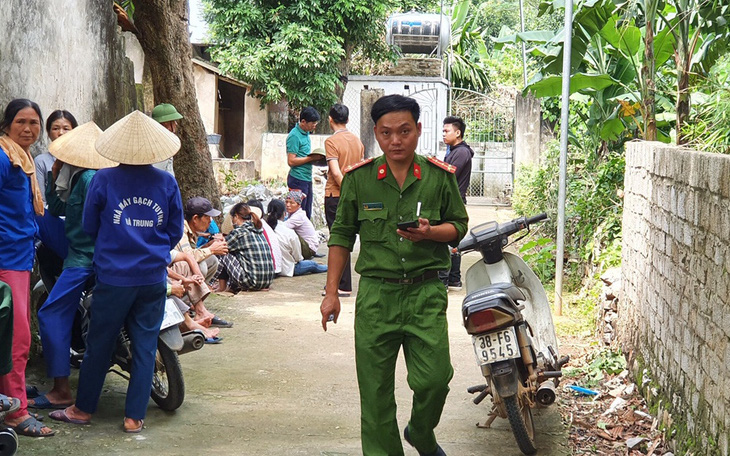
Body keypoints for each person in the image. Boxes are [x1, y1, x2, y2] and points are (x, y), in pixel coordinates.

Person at [320, 95, 468, 456]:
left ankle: (420, 431)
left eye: (404, 131)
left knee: (435, 380)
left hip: (424, 294)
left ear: (418, 130)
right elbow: (341, 236)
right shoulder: (360, 179)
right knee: (375, 395)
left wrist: (431, 232)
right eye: (386, 133)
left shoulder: (437, 176)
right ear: (376, 134)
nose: (396, 140)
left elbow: (459, 227)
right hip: (376, 298)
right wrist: (330, 292)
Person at [49, 110, 184, 434]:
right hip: (152, 277)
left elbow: (90, 225)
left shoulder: (104, 179)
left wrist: (116, 243)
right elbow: (174, 230)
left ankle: (82, 411)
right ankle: (134, 417)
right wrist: (150, 246)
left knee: (100, 342)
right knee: (145, 346)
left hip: (113, 277)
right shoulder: (166, 182)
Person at [33, 122, 118, 411]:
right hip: (108, 259)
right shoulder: (90, 175)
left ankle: (60, 389)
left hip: (83, 260)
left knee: (51, 314)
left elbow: (68, 218)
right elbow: (56, 208)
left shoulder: (87, 178)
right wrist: (53, 177)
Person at [0, 99, 55, 437]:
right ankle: (17, 413)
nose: (28, 129)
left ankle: (12, 401)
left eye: (34, 123)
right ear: (7, 124)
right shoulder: (4, 156)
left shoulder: (24, 159)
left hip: (19, 257)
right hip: (6, 259)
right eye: (21, 121)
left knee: (13, 337)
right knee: (16, 339)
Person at [323, 103, 363, 297]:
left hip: (336, 195)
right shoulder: (357, 141)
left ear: (330, 119)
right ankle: (344, 284)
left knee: (337, 238)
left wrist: (346, 191)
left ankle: (340, 284)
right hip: (355, 194)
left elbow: (337, 173)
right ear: (347, 119)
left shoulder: (331, 142)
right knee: (347, 237)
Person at [35, 110, 78, 261]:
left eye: (66, 128)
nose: (61, 133)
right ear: (48, 132)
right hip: (53, 217)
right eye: (55, 128)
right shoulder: (42, 161)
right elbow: (41, 201)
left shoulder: (81, 160)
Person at [440, 116, 474, 291]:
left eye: (447, 131)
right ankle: (453, 279)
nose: (443, 134)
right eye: (443, 131)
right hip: (452, 200)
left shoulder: (461, 153)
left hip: (454, 201)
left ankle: (445, 280)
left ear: (458, 132)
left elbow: (449, 176)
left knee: (447, 239)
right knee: (453, 241)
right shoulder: (454, 151)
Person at [213, 203, 275, 292]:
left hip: (251, 282)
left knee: (221, 251)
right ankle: (231, 286)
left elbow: (222, 247)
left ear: (236, 216)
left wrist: (219, 240)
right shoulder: (258, 230)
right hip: (267, 281)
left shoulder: (239, 232)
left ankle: (220, 286)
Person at [266, 199, 327, 277]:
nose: (288, 205)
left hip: (271, 268)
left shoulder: (265, 228)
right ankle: (329, 268)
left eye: (291, 202)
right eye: (287, 202)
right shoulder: (289, 232)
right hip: (287, 269)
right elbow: (298, 258)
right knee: (312, 265)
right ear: (284, 214)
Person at [286, 106, 321, 219]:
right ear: (303, 121)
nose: (314, 125)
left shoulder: (306, 133)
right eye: (312, 123)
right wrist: (310, 159)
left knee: (306, 213)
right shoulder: (294, 136)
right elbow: (291, 161)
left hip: (306, 178)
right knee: (297, 215)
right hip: (297, 179)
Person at [284, 190, 320, 259]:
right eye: (286, 202)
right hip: (308, 246)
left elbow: (282, 227)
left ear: (299, 205)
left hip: (309, 249)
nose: (288, 205)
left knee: (288, 233)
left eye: (292, 203)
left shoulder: (298, 216)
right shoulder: (293, 214)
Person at [151, 103, 183, 175]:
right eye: (173, 121)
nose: (176, 124)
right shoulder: (159, 146)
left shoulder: (165, 141)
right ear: (166, 124)